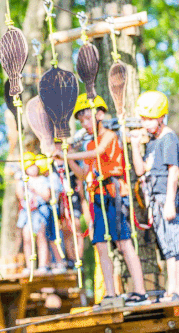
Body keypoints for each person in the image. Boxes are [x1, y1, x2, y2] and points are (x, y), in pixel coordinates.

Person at [60, 94, 149, 306]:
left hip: (115, 194)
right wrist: (67, 156)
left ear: (99, 114)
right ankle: (110, 293)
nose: (85, 124)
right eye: (81, 121)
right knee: (100, 244)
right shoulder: (89, 143)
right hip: (98, 196)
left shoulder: (109, 136)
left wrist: (68, 155)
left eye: (87, 118)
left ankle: (140, 291)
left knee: (123, 242)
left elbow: (99, 152)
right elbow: (83, 175)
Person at [130, 91, 179, 301]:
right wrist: (135, 146)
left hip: (167, 197)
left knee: (176, 243)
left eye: (148, 119)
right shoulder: (153, 142)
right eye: (143, 119)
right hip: (155, 199)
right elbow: (140, 170)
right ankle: (172, 288)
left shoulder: (168, 138)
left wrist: (170, 204)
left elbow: (173, 171)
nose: (145, 123)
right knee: (166, 246)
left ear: (161, 117)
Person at [16, 152, 51, 274]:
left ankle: (42, 265)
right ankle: (30, 266)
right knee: (27, 238)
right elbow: (20, 196)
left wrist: (35, 190)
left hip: (39, 211)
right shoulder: (23, 181)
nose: (33, 168)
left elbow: (47, 196)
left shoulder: (42, 180)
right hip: (27, 212)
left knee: (41, 237)